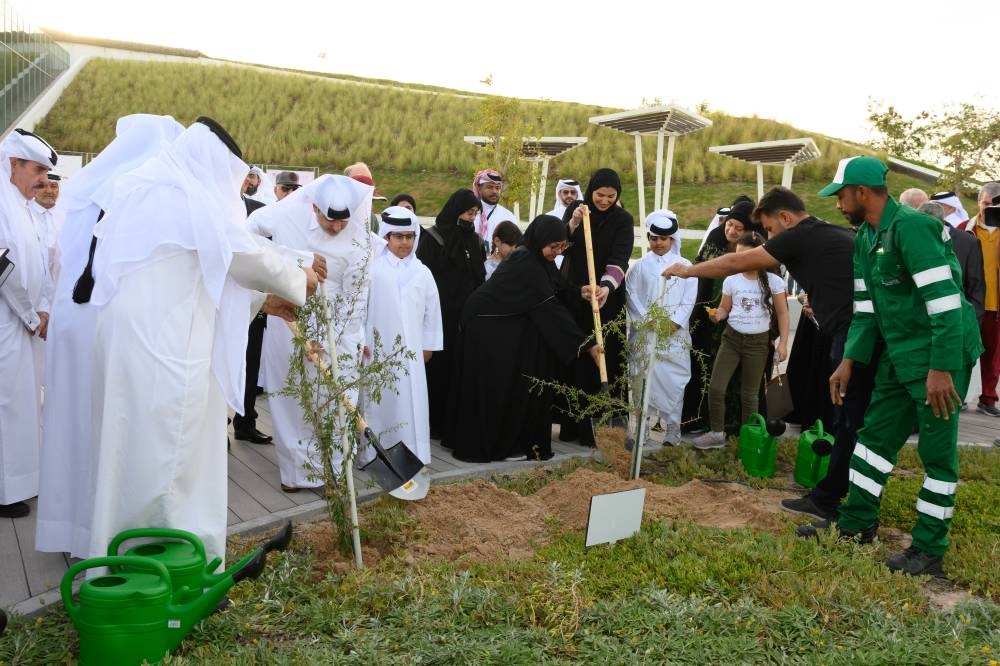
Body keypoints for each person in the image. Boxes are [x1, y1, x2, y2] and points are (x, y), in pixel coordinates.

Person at [86, 117, 317, 563]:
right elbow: (241, 254)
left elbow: (193, 275)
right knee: (172, 462)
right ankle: (173, 572)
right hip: (167, 351)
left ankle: (118, 564)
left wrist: (262, 303)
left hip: (133, 343)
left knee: (127, 456)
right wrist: (298, 279)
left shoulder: (145, 188)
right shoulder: (185, 197)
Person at [664, 186, 873, 523]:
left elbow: (735, 261)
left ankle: (850, 508)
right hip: (854, 331)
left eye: (771, 230)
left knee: (852, 420)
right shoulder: (828, 232)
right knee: (847, 419)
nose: (770, 240)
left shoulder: (799, 236)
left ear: (786, 217)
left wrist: (687, 270)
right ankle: (829, 494)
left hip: (855, 337)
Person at [816, 156, 982, 576]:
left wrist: (942, 368)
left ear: (863, 192)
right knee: (874, 439)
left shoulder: (912, 227)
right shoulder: (865, 238)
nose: (838, 204)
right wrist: (850, 360)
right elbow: (867, 309)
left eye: (841, 195)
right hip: (899, 353)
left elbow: (945, 302)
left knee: (937, 455)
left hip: (941, 354)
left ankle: (929, 549)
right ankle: (856, 524)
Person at [34, 114, 185, 555]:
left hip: (73, 322)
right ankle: (105, 536)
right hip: (109, 328)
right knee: (109, 433)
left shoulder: (83, 192)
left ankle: (73, 531)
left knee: (73, 426)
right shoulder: (142, 195)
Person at [249, 174, 378, 491]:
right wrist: (290, 261)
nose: (335, 228)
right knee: (292, 402)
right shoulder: (285, 214)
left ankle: (332, 472)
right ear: (314, 207)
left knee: (336, 402)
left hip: (339, 329)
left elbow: (355, 300)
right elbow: (247, 233)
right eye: (328, 220)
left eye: (342, 222)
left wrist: (331, 339)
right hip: (288, 316)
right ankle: (295, 474)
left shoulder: (361, 241)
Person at [448, 215, 601, 462]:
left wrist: (579, 291)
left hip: (500, 322)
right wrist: (586, 344)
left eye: (562, 247)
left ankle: (512, 438)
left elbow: (557, 287)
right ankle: (494, 442)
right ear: (540, 240)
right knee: (494, 384)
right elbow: (551, 307)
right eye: (554, 246)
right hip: (485, 325)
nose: (557, 252)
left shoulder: (538, 258)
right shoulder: (527, 263)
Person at [0, 129, 57, 519]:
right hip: (7, 322)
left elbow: (42, 264)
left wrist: (44, 308)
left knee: (23, 406)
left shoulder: (23, 206)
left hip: (27, 322)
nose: (43, 179)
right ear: (13, 165)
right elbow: (4, 267)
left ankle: (23, 480)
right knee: (7, 405)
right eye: (37, 170)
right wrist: (30, 314)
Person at [689, 231, 789, 449]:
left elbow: (782, 313)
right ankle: (716, 433)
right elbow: (725, 308)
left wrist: (782, 344)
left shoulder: (774, 282)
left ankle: (748, 436)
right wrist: (718, 314)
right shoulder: (731, 280)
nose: (742, 261)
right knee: (716, 387)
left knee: (750, 394)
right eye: (738, 256)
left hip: (758, 342)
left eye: (748, 256)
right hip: (731, 339)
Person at [557, 168, 634, 446]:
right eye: (600, 195)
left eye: (611, 196)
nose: (604, 201)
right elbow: (561, 245)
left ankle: (605, 427)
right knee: (579, 355)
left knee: (607, 356)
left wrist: (605, 287)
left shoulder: (623, 220)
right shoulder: (578, 209)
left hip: (607, 298)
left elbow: (621, 257)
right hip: (577, 293)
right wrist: (574, 223)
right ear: (590, 191)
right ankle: (574, 427)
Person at [363, 206, 442, 466]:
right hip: (376, 349)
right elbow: (361, 308)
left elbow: (432, 312)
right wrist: (361, 340)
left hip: (411, 353)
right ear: (387, 237)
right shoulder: (372, 269)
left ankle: (410, 453)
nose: (405, 242)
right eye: (399, 237)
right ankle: (374, 453)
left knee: (410, 402)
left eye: (409, 236)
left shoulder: (423, 273)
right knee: (378, 402)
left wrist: (429, 345)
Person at [681, 199, 760, 433]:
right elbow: (700, 269)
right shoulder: (716, 237)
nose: (731, 231)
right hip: (709, 319)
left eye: (739, 228)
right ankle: (702, 419)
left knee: (737, 377)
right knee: (705, 369)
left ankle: (734, 424)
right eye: (730, 224)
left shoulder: (755, 249)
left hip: (741, 323)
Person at [416, 188, 486, 439]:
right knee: (438, 371)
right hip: (438, 318)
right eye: (468, 212)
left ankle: (452, 423)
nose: (471, 218)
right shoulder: (434, 239)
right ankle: (432, 424)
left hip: (465, 320)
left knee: (460, 370)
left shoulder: (476, 241)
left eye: (475, 214)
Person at [625, 210, 698, 446]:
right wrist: (649, 320)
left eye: (663, 239)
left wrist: (674, 322)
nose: (658, 243)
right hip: (646, 335)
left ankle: (669, 434)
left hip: (675, 336)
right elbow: (632, 296)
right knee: (643, 381)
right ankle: (643, 433)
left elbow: (689, 299)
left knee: (673, 383)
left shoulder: (686, 266)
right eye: (654, 238)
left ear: (672, 239)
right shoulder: (639, 266)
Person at [957, 182, 1000, 416]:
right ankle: (959, 395)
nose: (988, 209)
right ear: (978, 202)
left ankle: (988, 399)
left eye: (995, 204)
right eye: (985, 203)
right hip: (970, 303)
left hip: (996, 305)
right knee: (965, 350)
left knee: (994, 356)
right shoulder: (965, 228)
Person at [919, 201, 985, 321]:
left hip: (959, 319)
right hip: (920, 321)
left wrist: (973, 322)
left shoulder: (968, 243)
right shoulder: (911, 240)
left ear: (942, 222)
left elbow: (976, 287)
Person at [29, 171, 64, 282]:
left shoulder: (67, 215)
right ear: (33, 189)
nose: (49, 191)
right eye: (42, 186)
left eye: (54, 186)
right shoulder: (24, 213)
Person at [472, 168, 514, 244]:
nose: (494, 191)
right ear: (479, 189)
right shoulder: (470, 213)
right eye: (490, 187)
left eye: (497, 188)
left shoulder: (508, 216)